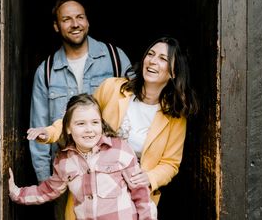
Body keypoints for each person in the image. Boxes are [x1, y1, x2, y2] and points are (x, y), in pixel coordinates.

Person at [27, 35, 199, 211]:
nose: (153, 61)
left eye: (163, 59)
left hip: (134, 201)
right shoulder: (112, 88)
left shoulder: (175, 116)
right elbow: (78, 117)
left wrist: (150, 177)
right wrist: (50, 133)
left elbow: (170, 163)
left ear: (174, 72)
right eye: (151, 54)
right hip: (90, 194)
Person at [29, 0, 131, 220]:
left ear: (87, 22)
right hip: (66, 174)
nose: (75, 24)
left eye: (79, 17)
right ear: (57, 26)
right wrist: (46, 181)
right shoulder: (46, 72)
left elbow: (135, 109)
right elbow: (39, 128)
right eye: (66, 19)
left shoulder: (115, 58)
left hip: (111, 172)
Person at [10, 93, 157, 220]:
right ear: (68, 128)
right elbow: (47, 190)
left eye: (95, 122)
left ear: (101, 124)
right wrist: (17, 193)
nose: (89, 130)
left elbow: (142, 195)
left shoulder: (120, 149)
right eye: (81, 123)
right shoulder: (64, 161)